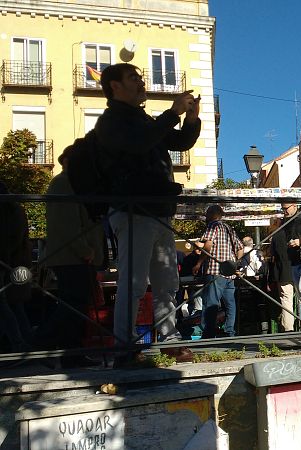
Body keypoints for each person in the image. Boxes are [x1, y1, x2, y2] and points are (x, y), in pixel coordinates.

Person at [96, 63, 200, 362]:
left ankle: (169, 338)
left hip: (156, 211)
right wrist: (172, 113)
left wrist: (190, 119)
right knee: (134, 282)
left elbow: (179, 141)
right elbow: (139, 143)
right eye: (134, 77)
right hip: (133, 210)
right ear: (115, 87)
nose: (142, 82)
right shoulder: (112, 121)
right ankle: (125, 347)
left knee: (167, 281)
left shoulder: (142, 119)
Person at [38, 147, 105, 366]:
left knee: (75, 306)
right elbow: (68, 225)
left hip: (74, 255)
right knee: (71, 305)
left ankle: (71, 354)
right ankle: (39, 346)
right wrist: (85, 250)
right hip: (72, 256)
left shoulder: (71, 183)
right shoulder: (64, 183)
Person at [192, 205, 244, 339]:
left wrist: (198, 263)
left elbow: (208, 246)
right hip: (229, 273)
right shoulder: (229, 228)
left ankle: (208, 333)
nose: (205, 216)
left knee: (211, 302)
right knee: (230, 304)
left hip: (215, 270)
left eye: (207, 213)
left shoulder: (212, 226)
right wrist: (234, 264)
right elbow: (240, 248)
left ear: (212, 214)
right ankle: (229, 331)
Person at [0, 181, 33, 353]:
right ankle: (25, 344)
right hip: (15, 262)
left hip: (10, 262)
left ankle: (20, 344)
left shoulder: (11, 210)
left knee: (7, 305)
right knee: (14, 305)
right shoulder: (16, 209)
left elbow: (12, 239)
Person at [270, 203, 301, 331]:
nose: (284, 211)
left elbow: (273, 254)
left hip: (288, 268)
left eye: (286, 208)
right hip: (294, 265)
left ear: (295, 206)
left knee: (289, 300)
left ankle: (289, 329)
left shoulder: (277, 233)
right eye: (283, 208)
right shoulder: (300, 223)